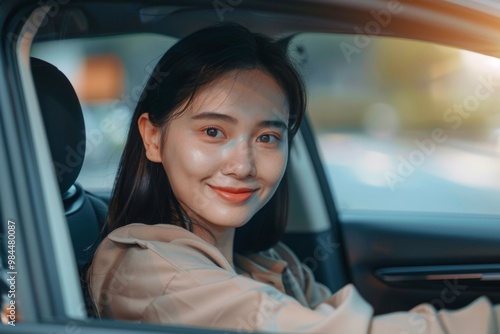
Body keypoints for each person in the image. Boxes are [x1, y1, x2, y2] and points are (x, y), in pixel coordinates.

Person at [87, 23, 500, 333]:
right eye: (213, 132)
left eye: (267, 137)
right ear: (153, 138)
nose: (243, 165)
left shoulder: (269, 262)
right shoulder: (148, 270)